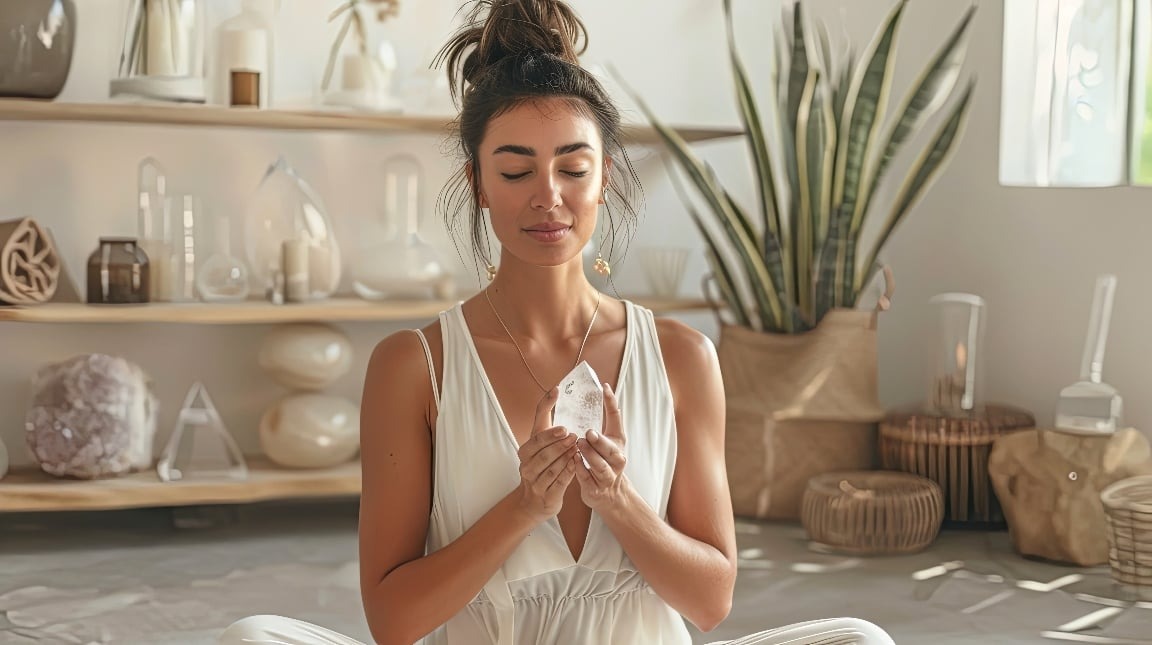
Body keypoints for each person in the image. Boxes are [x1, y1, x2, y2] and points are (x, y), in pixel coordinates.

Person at [220, 1, 896, 643]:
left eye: (574, 167)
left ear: (604, 177)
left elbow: (710, 600)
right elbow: (394, 622)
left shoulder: (682, 356)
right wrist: (524, 507)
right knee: (249, 636)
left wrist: (620, 501)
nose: (549, 197)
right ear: (479, 183)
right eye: (515, 170)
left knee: (860, 637)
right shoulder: (414, 365)